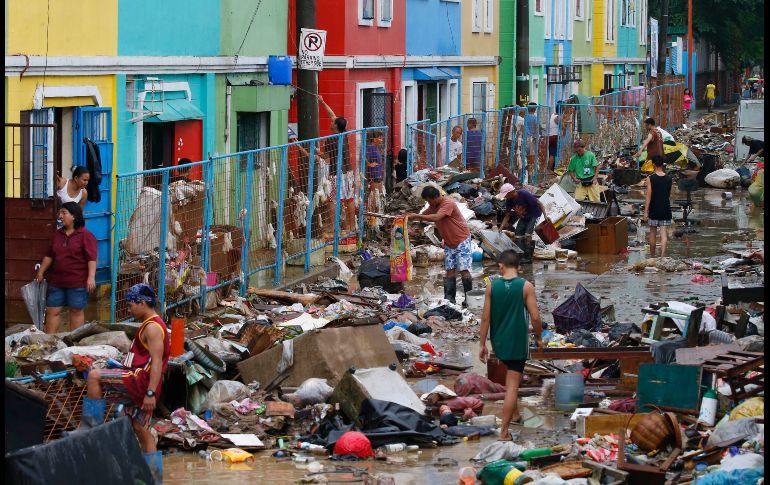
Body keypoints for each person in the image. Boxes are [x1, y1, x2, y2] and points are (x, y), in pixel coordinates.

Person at [78, 283, 170, 483]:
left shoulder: (153, 327)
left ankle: (90, 428)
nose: (129, 310)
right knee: (142, 430)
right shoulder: (153, 324)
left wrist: (150, 393)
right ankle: (154, 479)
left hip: (139, 382)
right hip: (142, 383)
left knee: (94, 376)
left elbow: (156, 364)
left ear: (143, 303)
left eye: (130, 305)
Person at [478, 250, 543, 439]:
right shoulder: (526, 286)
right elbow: (536, 317)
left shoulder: (492, 287)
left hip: (498, 341)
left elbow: (485, 318)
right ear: (519, 267)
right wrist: (539, 337)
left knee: (509, 379)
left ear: (501, 266)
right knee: (512, 386)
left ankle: (515, 415)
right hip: (517, 342)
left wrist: (482, 344)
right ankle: (504, 433)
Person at [36, 202, 97, 334]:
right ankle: (50, 341)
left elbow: (91, 258)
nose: (60, 216)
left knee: (75, 311)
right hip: (57, 281)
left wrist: (91, 278)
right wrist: (41, 272)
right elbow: (49, 255)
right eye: (60, 213)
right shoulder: (57, 234)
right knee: (52, 310)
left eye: (64, 213)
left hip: (77, 282)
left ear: (74, 216)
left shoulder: (86, 235)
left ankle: (74, 343)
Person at [406, 186, 473, 306]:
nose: (428, 203)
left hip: (461, 240)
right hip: (449, 242)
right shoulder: (433, 205)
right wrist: (411, 217)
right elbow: (424, 215)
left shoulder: (448, 203)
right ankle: (449, 300)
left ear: (436, 197)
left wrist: (416, 216)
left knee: (464, 270)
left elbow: (436, 217)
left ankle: (469, 299)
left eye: (429, 200)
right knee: (449, 271)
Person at [319, 95, 356, 233]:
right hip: (348, 172)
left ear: (335, 126)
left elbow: (326, 158)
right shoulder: (344, 133)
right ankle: (351, 226)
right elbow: (332, 115)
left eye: (333, 122)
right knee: (349, 198)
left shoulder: (330, 140)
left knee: (332, 199)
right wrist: (322, 102)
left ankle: (333, 227)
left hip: (335, 174)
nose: (331, 121)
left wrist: (316, 152)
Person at [497, 184, 546, 264]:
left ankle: (528, 257)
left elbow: (539, 203)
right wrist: (501, 227)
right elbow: (507, 216)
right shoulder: (509, 201)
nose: (505, 197)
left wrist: (545, 215)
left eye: (505, 195)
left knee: (527, 234)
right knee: (518, 235)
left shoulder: (524, 194)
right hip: (524, 217)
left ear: (511, 192)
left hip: (534, 215)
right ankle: (521, 256)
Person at [643, 155, 673, 257]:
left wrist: (645, 212)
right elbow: (668, 194)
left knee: (652, 233)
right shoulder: (669, 178)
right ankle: (663, 257)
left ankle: (652, 257)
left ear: (653, 165)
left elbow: (648, 196)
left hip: (654, 209)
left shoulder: (650, 178)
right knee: (664, 234)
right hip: (665, 208)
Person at [547, 105, 560, 172]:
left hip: (550, 136)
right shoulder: (557, 117)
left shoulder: (553, 115)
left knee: (551, 154)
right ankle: (549, 170)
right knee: (552, 154)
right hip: (554, 136)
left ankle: (551, 169)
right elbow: (562, 126)